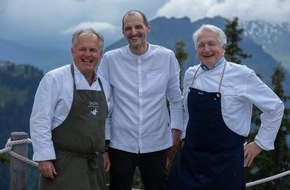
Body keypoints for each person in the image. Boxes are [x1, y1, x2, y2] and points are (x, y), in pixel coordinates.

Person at [166, 24, 285, 190]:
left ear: (223, 46)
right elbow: (187, 112)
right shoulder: (191, 74)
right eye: (201, 45)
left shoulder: (242, 75)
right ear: (196, 50)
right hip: (191, 157)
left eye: (211, 43)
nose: (206, 49)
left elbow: (275, 107)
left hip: (226, 162)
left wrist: (259, 144)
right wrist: (184, 137)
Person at [97, 10, 183, 190]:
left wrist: (175, 138)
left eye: (138, 27)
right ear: (123, 32)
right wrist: (104, 146)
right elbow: (104, 103)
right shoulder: (110, 59)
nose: (133, 32)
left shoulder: (166, 57)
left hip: (157, 143)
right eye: (128, 28)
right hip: (120, 143)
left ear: (148, 28)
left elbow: (176, 100)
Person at [30, 28, 111, 190]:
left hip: (95, 167)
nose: (87, 55)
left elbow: (106, 120)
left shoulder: (104, 84)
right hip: (63, 165)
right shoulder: (55, 78)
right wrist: (44, 157)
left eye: (93, 50)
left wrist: (104, 151)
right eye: (82, 49)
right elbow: (40, 120)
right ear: (73, 51)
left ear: (100, 54)